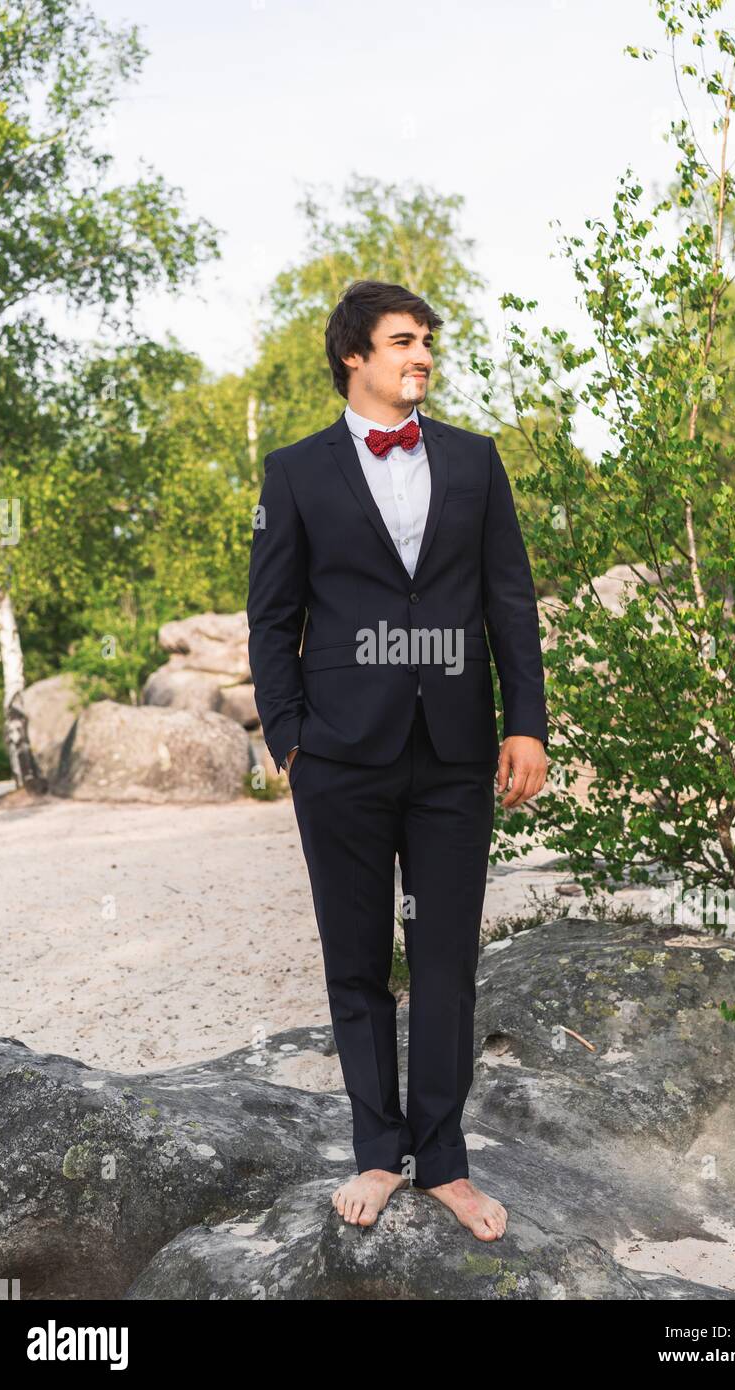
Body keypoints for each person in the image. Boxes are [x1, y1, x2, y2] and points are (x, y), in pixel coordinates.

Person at [247, 279, 548, 1241]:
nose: (421, 355)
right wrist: (290, 737)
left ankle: (445, 1164)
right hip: (339, 754)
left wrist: (526, 723)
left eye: (428, 341)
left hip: (456, 752)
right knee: (356, 962)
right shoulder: (293, 471)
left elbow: (510, 599)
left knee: (449, 959)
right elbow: (272, 617)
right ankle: (379, 1153)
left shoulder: (474, 461)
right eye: (403, 340)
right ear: (355, 357)